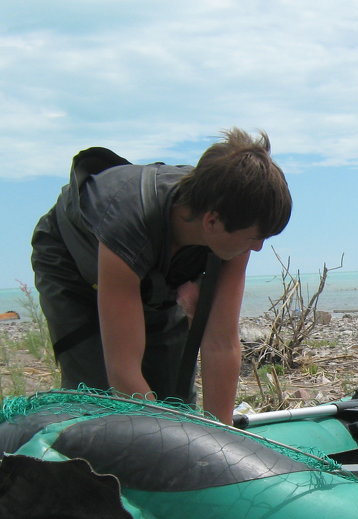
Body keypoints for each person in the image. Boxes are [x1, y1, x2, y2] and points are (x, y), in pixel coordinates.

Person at [31, 128, 292, 423]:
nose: (258, 248)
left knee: (173, 395)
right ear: (212, 221)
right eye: (255, 238)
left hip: (157, 273)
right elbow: (123, 371)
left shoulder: (236, 222)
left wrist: (221, 440)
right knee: (101, 397)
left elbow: (221, 343)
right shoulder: (127, 224)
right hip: (74, 266)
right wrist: (167, 440)